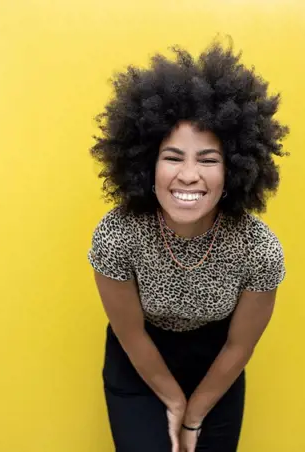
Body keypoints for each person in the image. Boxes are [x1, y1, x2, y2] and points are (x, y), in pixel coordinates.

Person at [87, 40, 289, 452]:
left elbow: (240, 345)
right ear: (148, 164)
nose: (189, 176)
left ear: (235, 170)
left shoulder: (260, 249)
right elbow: (130, 334)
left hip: (217, 369)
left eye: (209, 160)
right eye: (173, 157)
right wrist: (173, 401)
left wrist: (194, 416)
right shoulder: (116, 235)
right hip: (139, 363)